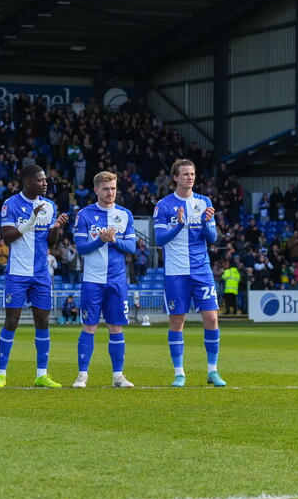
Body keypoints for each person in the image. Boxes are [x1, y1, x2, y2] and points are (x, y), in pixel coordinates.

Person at [0, 164, 68, 388]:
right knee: (12, 320)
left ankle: (42, 374)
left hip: (41, 274)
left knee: (42, 322)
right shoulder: (11, 204)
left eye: (45, 180)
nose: (45, 183)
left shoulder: (50, 206)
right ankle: (1, 374)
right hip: (17, 273)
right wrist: (31, 220)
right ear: (28, 182)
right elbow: (7, 238)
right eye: (41, 180)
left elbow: (50, 244)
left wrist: (55, 228)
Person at [153, 159, 225, 387]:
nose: (190, 178)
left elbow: (212, 239)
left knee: (212, 318)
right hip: (176, 271)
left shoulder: (204, 202)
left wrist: (205, 222)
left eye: (192, 174)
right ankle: (179, 373)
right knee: (177, 322)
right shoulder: (163, 205)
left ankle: (213, 371)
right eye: (185, 174)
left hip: (201, 269)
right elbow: (159, 239)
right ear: (175, 177)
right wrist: (179, 225)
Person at [71, 171, 136, 388]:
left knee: (116, 327)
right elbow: (81, 248)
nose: (110, 193)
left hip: (117, 280)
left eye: (113, 188)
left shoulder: (125, 214)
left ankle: (118, 376)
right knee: (89, 326)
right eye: (106, 189)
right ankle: (82, 375)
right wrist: (101, 240)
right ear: (96, 190)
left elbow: (132, 247)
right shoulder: (84, 215)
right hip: (92, 279)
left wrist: (113, 240)